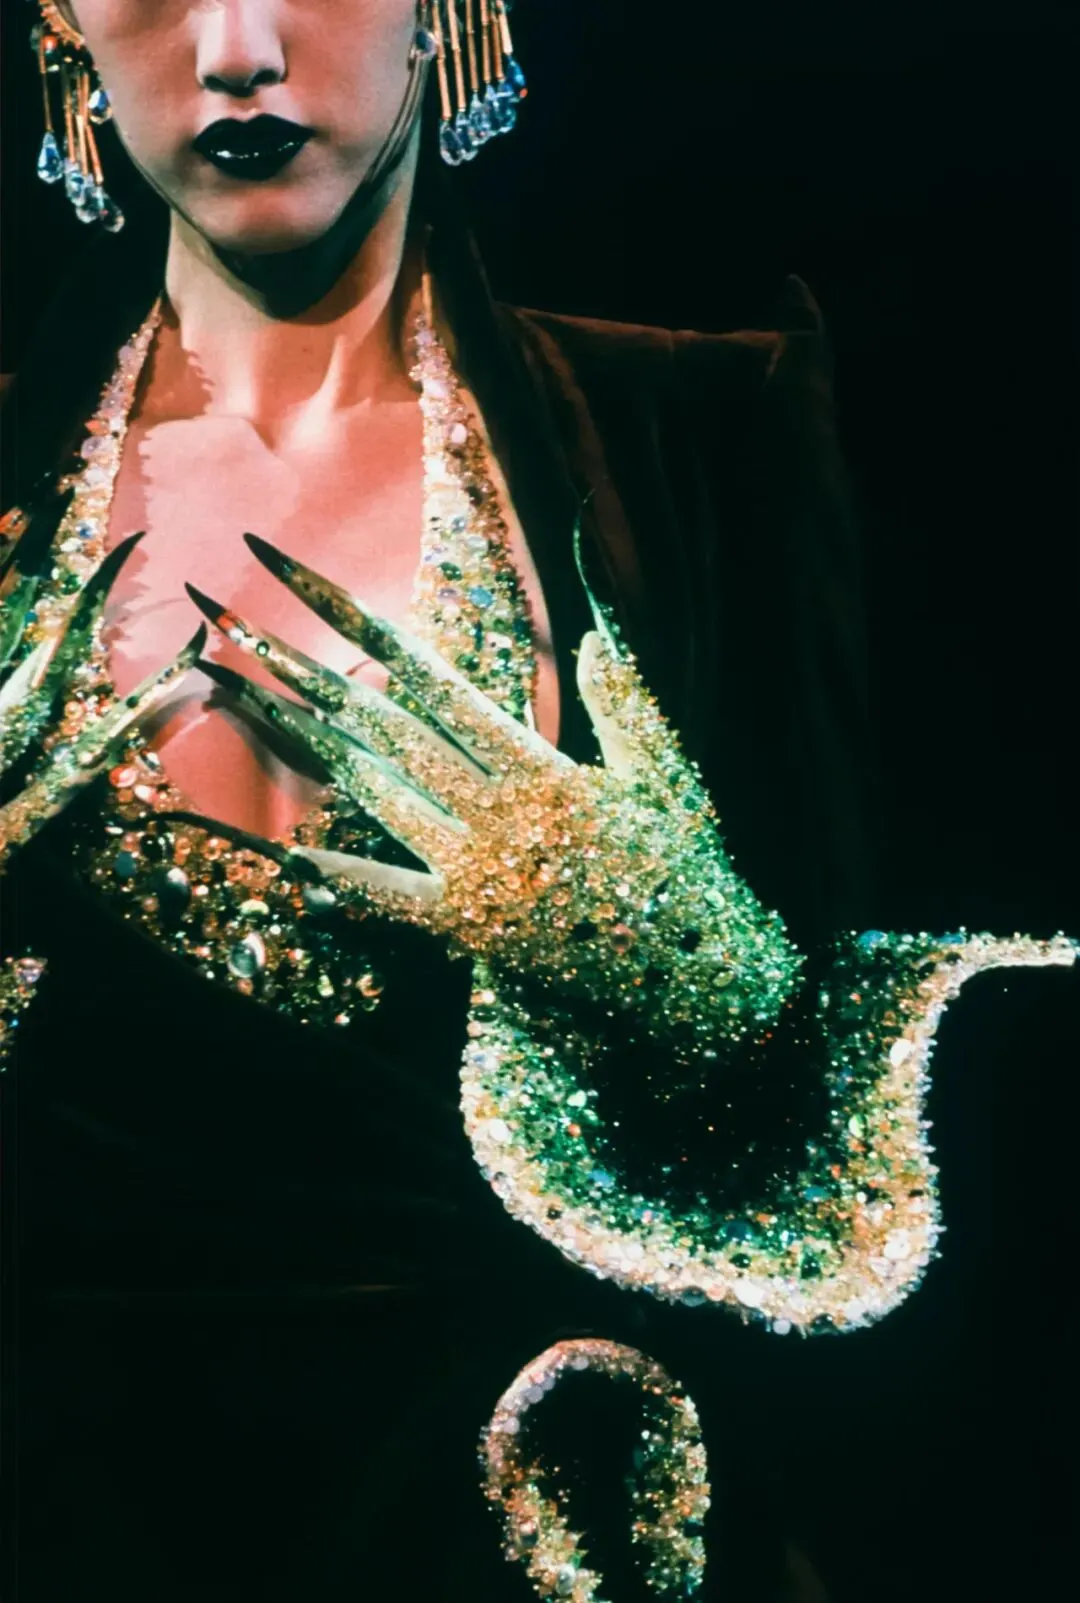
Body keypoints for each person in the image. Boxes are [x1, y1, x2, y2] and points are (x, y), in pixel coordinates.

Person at [2, 5, 1073, 1601]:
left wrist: (707, 979)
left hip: (537, 1497)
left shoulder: (701, 432)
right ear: (59, 27)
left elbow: (974, 1119)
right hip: (71, 1497)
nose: (233, 49)